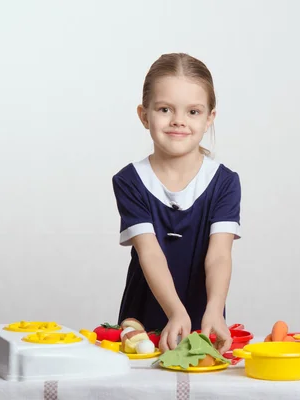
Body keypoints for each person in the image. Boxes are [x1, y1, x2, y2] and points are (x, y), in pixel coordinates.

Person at [112, 53, 241, 354]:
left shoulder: (224, 182)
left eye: (193, 111)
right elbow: (151, 253)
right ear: (144, 115)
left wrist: (215, 309)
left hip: (204, 317)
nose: (178, 121)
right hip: (143, 321)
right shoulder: (130, 181)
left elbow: (219, 255)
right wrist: (175, 312)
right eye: (165, 109)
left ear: (210, 118)